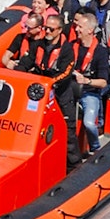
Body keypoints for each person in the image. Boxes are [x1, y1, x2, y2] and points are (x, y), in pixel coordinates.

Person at [32, 13, 80, 169]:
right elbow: (26, 63)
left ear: (60, 30)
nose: (47, 32)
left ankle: (73, 165)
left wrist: (50, 84)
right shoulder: (38, 44)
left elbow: (66, 73)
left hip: (60, 92)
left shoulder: (67, 49)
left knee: (68, 130)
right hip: (40, 93)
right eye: (46, 28)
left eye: (51, 29)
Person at [71, 10, 110, 154]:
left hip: (89, 93)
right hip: (70, 90)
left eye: (80, 27)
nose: (76, 29)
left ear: (90, 30)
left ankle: (95, 149)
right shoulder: (71, 46)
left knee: (88, 123)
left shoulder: (100, 52)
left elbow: (103, 83)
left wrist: (86, 80)